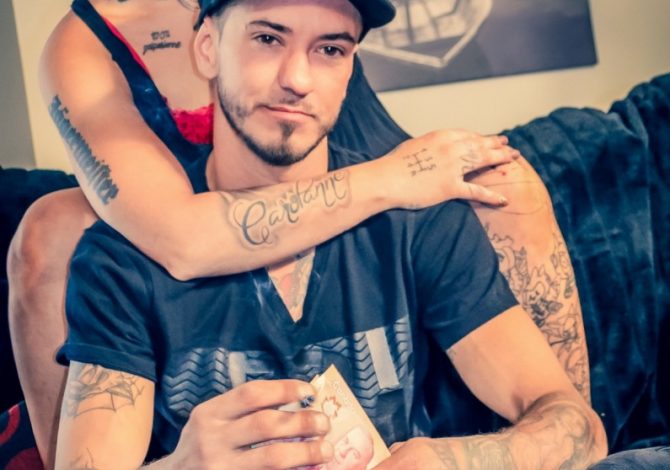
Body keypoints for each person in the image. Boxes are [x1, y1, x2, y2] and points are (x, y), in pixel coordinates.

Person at [8, 0, 588, 468]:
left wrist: (460, 459)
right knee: (52, 227)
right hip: (193, 233)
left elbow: (572, 425)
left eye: (331, 49)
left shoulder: (420, 225)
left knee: (508, 186)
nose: (297, 78)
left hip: (372, 218)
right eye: (267, 39)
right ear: (206, 46)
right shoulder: (118, 262)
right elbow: (181, 241)